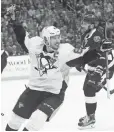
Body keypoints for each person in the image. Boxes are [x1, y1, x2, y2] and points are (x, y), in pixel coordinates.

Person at [76, 15, 114, 129]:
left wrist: (98, 72)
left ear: (92, 25)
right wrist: (81, 62)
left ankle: (91, 119)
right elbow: (87, 53)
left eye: (85, 22)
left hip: (104, 66)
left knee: (90, 88)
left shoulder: (97, 35)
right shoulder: (86, 35)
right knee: (87, 90)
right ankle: (90, 115)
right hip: (94, 67)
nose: (83, 25)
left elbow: (103, 54)